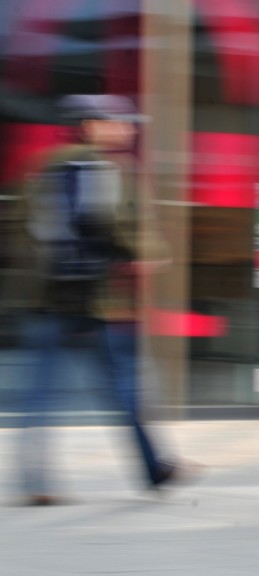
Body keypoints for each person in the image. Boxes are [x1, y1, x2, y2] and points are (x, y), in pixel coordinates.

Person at [10, 94, 185, 505]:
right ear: (90, 125)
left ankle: (34, 482)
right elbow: (113, 227)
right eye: (118, 121)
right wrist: (149, 251)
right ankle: (153, 468)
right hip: (95, 302)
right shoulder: (109, 169)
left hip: (47, 299)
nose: (127, 128)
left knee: (39, 395)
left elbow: (21, 224)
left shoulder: (44, 165)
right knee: (123, 391)